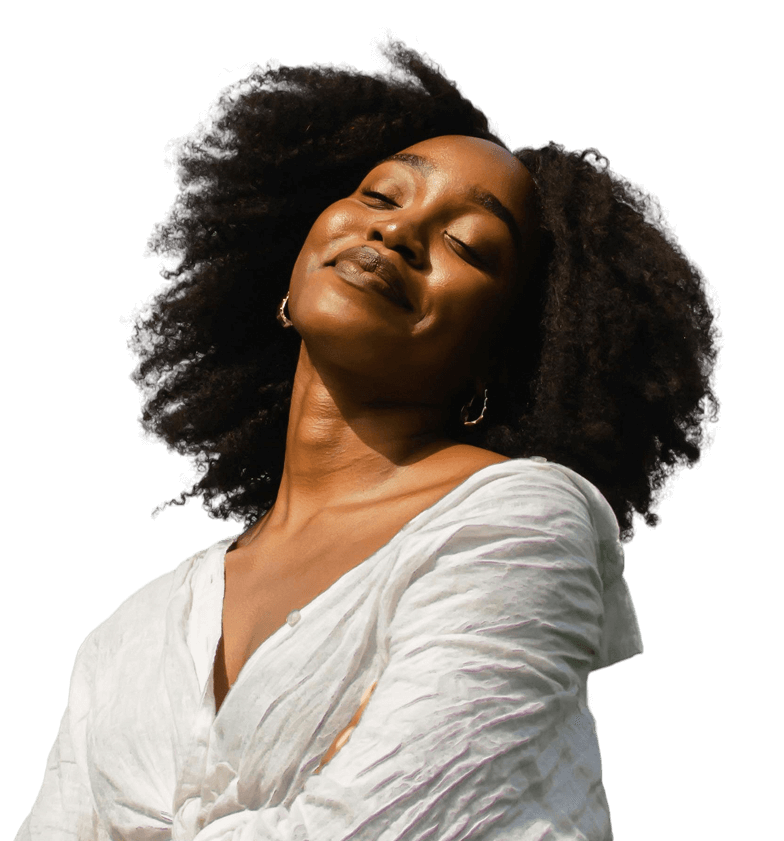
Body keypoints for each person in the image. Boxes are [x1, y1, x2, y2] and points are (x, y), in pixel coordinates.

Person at [17, 35, 721, 841]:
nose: (399, 231)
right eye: (382, 195)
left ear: (499, 355)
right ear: (286, 270)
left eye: (467, 245)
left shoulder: (518, 523)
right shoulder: (128, 637)